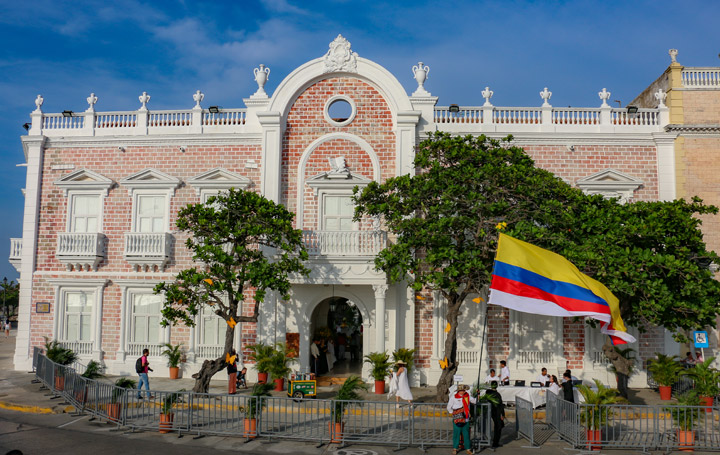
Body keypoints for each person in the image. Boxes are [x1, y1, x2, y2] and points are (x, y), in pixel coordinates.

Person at [447, 384, 476, 455]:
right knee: (456, 434)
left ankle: (468, 449)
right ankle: (455, 448)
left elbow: (475, 401)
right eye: (461, 390)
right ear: (458, 391)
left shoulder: (467, 396)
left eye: (463, 390)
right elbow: (449, 407)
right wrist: (453, 413)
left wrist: (478, 394)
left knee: (466, 434)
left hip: (466, 418)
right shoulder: (453, 397)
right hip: (457, 419)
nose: (462, 392)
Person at [486, 381, 505, 449]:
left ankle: (492, 441)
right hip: (496, 412)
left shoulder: (488, 393)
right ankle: (495, 442)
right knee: (498, 427)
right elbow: (500, 405)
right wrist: (502, 414)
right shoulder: (497, 395)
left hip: (490, 411)